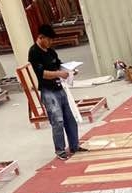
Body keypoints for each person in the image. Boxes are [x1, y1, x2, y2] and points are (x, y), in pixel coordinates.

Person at [28, 23, 88, 160]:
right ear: (41, 37)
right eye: (49, 40)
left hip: (59, 88)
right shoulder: (34, 52)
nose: (51, 42)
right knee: (58, 121)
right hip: (48, 91)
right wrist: (59, 74)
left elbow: (60, 65)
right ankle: (60, 150)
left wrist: (70, 71)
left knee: (70, 119)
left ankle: (74, 146)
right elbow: (42, 74)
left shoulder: (51, 51)